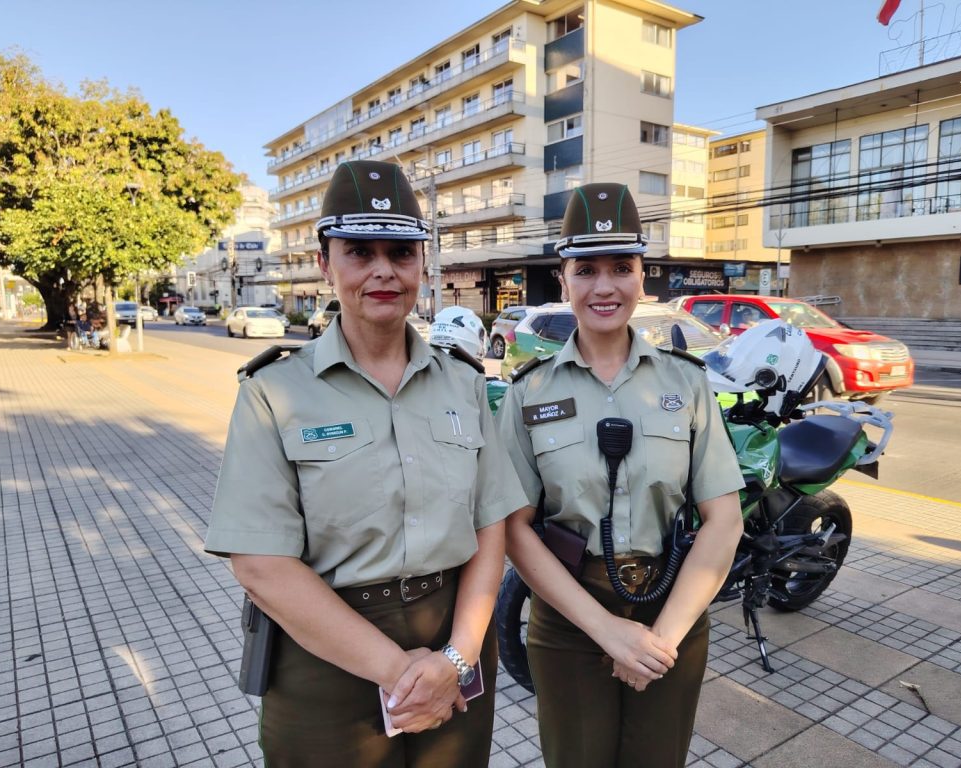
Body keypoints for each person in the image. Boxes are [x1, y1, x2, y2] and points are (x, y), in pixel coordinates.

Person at [204, 160, 527, 768]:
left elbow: (491, 527)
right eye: (359, 251)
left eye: (401, 252)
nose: (383, 270)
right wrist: (405, 673)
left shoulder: (462, 384)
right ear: (326, 263)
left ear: (422, 265)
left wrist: (456, 659)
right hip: (326, 656)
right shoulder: (274, 390)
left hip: (453, 637)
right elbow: (261, 565)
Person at [497, 183, 746, 768]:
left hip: (670, 607)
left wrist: (663, 638)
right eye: (586, 269)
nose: (604, 286)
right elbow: (513, 528)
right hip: (568, 616)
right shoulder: (530, 391)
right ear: (563, 280)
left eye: (621, 267)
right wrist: (608, 631)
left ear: (643, 277)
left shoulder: (686, 383)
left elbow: (723, 517)